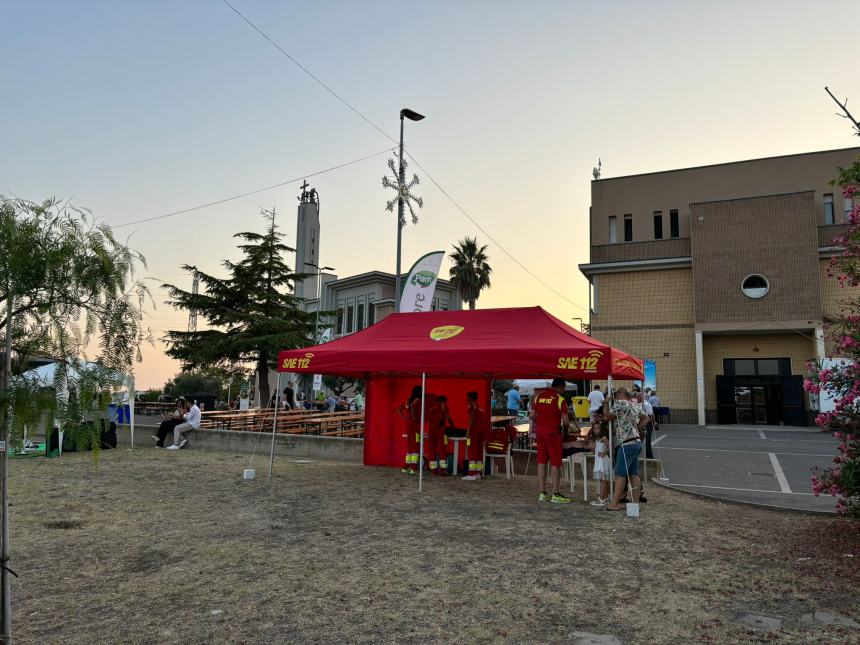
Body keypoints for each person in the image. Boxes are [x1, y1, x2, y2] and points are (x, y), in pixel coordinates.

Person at [602, 387, 648, 510]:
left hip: (626, 443)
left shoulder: (620, 403)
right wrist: (637, 429)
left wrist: (606, 403)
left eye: (616, 394)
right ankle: (635, 503)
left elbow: (607, 417)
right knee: (634, 474)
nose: (615, 397)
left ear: (622, 394)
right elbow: (646, 418)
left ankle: (614, 503)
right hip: (636, 442)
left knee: (620, 474)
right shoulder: (634, 405)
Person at [530, 377, 573, 504]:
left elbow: (532, 415)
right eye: (563, 388)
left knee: (541, 461)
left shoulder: (538, 397)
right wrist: (566, 429)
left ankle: (542, 493)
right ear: (559, 387)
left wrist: (541, 421)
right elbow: (565, 421)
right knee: (555, 463)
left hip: (540, 432)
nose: (564, 391)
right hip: (553, 433)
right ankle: (555, 493)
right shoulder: (560, 400)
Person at [462, 391, 487, 481]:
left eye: (467, 398)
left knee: (472, 451)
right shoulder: (480, 407)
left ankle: (471, 474)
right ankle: (478, 473)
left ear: (471, 398)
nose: (466, 400)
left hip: (474, 431)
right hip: (481, 431)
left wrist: (468, 431)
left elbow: (471, 418)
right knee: (479, 452)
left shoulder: (472, 406)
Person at [426, 395, 453, 475]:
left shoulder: (431, 408)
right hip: (440, 431)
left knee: (432, 450)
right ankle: (443, 470)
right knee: (442, 451)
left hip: (431, 431)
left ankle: (434, 469)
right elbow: (448, 418)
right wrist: (453, 426)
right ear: (443, 401)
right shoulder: (443, 407)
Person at [398, 386, 423, 474]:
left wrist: (405, 418)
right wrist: (413, 417)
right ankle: (414, 468)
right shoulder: (417, 400)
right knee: (415, 446)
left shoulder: (408, 400)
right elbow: (412, 407)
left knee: (409, 446)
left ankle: (406, 467)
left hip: (408, 424)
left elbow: (399, 409)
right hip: (414, 425)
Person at [590, 421, 611, 506]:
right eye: (594, 428)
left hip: (603, 460)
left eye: (598, 428)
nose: (596, 430)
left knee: (603, 480)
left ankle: (601, 499)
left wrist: (604, 453)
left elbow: (610, 445)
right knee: (603, 480)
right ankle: (605, 497)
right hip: (599, 460)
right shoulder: (597, 439)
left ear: (601, 429)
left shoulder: (603, 437)